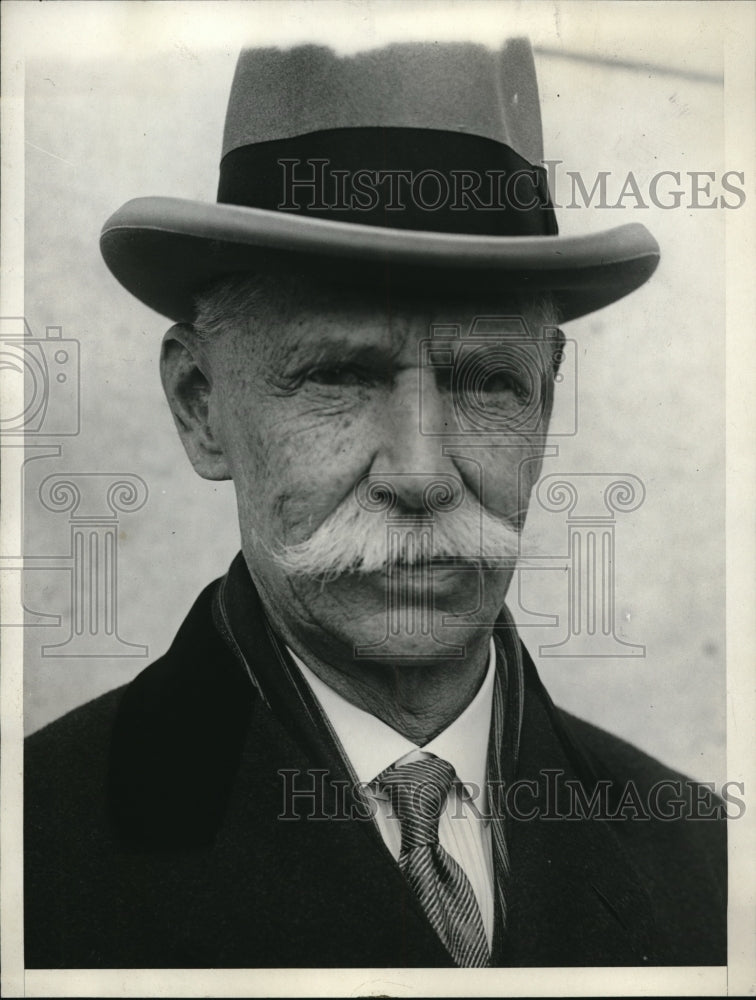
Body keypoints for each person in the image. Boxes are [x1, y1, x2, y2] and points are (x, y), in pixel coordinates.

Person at [25, 38, 726, 969]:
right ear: (202, 408)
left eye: (484, 381)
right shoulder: (35, 855)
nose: (422, 472)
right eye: (342, 376)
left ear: (546, 402)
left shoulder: (705, 866)